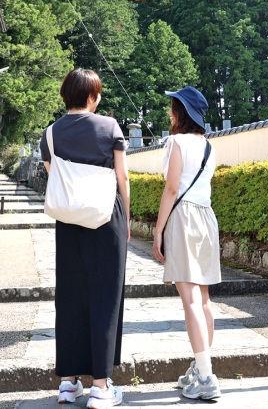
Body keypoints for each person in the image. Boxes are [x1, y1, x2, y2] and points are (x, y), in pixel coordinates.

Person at [40, 68, 130, 408]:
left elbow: (55, 177)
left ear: (66, 96)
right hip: (107, 217)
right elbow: (122, 177)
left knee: (71, 296)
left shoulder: (50, 134)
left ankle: (68, 383)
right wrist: (128, 217)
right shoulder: (109, 126)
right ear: (92, 96)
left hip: (68, 219)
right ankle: (102, 387)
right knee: (105, 297)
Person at [152, 86, 222, 401]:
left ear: (181, 112)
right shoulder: (209, 147)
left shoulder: (176, 142)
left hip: (182, 218)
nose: (169, 112)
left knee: (190, 300)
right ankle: (200, 367)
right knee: (204, 300)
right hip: (207, 218)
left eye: (172, 107)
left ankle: (206, 377)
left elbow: (171, 188)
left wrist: (158, 230)